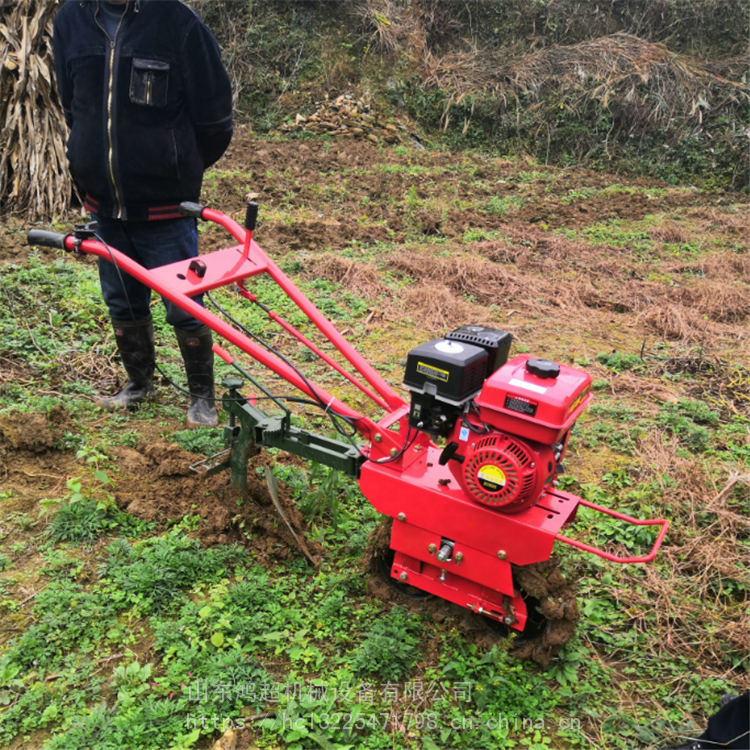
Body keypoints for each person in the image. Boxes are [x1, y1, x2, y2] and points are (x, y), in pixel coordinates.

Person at [52, 0, 233, 428]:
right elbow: (72, 105)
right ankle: (139, 384)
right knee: (122, 300)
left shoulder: (178, 22)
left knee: (184, 304)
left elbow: (215, 119)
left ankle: (201, 398)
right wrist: (89, 161)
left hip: (166, 208)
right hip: (105, 205)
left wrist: (173, 169)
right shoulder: (70, 20)